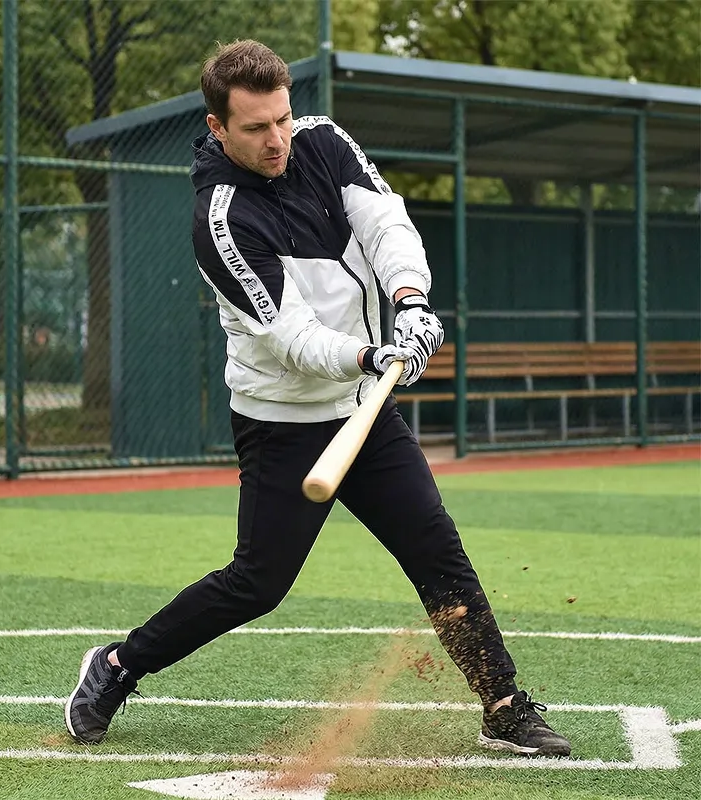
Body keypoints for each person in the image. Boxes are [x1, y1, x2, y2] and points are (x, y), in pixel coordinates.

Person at [64, 39, 571, 759]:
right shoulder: (221, 220)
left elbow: (386, 224)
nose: (277, 139)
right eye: (255, 128)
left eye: (282, 118)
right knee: (257, 584)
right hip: (285, 420)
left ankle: (503, 705)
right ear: (217, 127)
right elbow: (294, 338)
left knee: (437, 551)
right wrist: (374, 354)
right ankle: (118, 664)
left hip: (365, 410)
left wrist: (411, 300)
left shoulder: (324, 141)